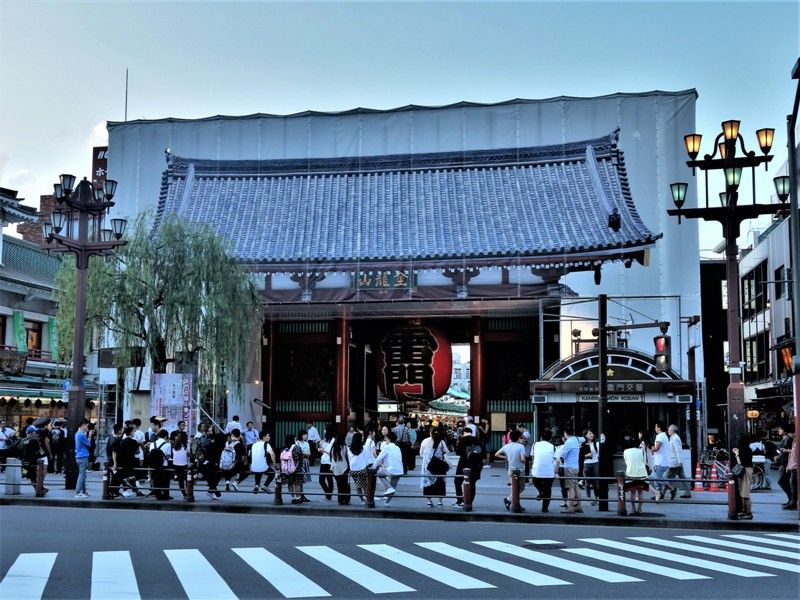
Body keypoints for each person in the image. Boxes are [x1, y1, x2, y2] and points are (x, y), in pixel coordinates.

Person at [495, 429, 527, 511]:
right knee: (521, 487)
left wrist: (506, 457)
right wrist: (523, 460)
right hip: (520, 470)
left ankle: (514, 503)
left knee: (514, 488)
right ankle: (510, 500)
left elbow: (496, 454)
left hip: (511, 470)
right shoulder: (521, 447)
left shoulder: (506, 446)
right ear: (518, 438)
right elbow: (523, 459)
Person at [372, 431, 403, 504]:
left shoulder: (387, 447)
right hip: (399, 470)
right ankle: (387, 503)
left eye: (386, 438)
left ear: (388, 438)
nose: (385, 439)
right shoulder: (397, 448)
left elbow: (379, 458)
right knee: (393, 487)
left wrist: (373, 466)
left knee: (379, 473)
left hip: (391, 469)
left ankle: (389, 488)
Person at [453, 429, 483, 507]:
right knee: (472, 483)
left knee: (457, 481)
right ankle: (470, 501)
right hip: (476, 465)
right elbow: (484, 454)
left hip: (463, 464)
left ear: (463, 433)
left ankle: (460, 501)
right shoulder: (478, 440)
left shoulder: (462, 440)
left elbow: (458, 452)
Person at [559, 426, 586, 513]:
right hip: (576, 467)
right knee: (576, 487)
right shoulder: (576, 439)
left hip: (569, 467)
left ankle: (570, 507)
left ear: (565, 433)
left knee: (570, 488)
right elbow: (584, 439)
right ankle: (579, 506)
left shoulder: (568, 443)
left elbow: (562, 457)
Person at [530, 429, 557, 513]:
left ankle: (541, 492)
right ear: (550, 438)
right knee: (548, 489)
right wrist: (555, 471)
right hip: (549, 472)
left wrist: (534, 466)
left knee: (536, 482)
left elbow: (532, 457)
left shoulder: (535, 444)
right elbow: (557, 460)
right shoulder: (553, 447)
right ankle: (544, 508)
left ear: (541, 437)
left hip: (536, 471)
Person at [622, 436, 649, 515]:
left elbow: (626, 462)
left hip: (631, 473)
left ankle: (633, 509)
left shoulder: (626, 451)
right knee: (640, 492)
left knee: (632, 492)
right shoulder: (642, 451)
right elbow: (644, 462)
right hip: (641, 473)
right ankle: (640, 509)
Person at [731, 435, 754, 519]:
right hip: (747, 470)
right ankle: (745, 511)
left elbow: (740, 463)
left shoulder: (744, 450)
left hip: (745, 471)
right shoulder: (748, 449)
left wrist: (737, 454)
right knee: (743, 492)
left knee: (745, 493)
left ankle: (748, 513)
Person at [666, 424, 692, 499]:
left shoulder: (675, 438)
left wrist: (680, 461)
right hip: (677, 462)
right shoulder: (673, 438)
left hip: (675, 462)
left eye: (669, 430)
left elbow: (678, 451)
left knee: (666, 478)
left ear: (672, 430)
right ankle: (688, 492)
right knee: (682, 477)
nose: (668, 431)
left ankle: (662, 493)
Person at [279, 434, 305, 504]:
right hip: (296, 469)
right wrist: (300, 466)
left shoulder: (283, 448)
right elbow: (301, 458)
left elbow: (280, 459)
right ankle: (297, 497)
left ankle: (293, 497)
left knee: (290, 484)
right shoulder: (297, 448)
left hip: (286, 469)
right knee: (297, 484)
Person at [651, 422, 673, 502]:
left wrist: (652, 449)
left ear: (659, 428)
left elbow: (657, 448)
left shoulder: (660, 436)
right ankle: (659, 494)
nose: (655, 428)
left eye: (655, 427)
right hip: (664, 461)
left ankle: (672, 489)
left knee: (657, 478)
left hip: (660, 461)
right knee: (657, 478)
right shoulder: (665, 436)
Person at [347, 432, 371, 503]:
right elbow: (368, 460)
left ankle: (362, 500)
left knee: (358, 486)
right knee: (364, 486)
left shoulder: (350, 449)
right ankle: (368, 500)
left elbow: (349, 459)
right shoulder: (363, 448)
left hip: (353, 470)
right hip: (362, 470)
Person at [149, 429, 173, 500]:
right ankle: (166, 495)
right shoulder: (168, 444)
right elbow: (168, 456)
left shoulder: (152, 444)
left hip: (154, 465)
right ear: (166, 436)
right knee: (165, 481)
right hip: (164, 465)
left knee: (156, 480)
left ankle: (158, 494)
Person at [775, 424, 795, 508]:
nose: (778, 430)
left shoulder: (789, 439)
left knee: (783, 481)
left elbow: (792, 452)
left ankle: (792, 500)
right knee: (784, 482)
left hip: (787, 463)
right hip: (784, 462)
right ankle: (791, 500)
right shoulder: (785, 439)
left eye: (780, 429)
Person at [329, 434, 351, 505]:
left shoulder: (333, 448)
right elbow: (347, 457)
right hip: (343, 468)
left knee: (339, 485)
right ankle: (346, 499)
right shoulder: (344, 447)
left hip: (335, 469)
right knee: (345, 485)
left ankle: (340, 500)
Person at [581, 429, 599, 506]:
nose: (592, 435)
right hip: (586, 464)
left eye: (592, 433)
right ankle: (588, 498)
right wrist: (587, 455)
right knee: (587, 482)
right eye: (589, 434)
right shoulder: (583, 444)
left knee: (596, 482)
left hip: (595, 463)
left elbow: (599, 454)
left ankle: (597, 497)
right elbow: (580, 456)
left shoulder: (596, 443)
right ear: (586, 435)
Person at [74, 419, 92, 498]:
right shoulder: (81, 434)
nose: (87, 426)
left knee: (83, 475)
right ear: (83, 425)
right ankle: (78, 492)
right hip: (83, 456)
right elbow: (89, 444)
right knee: (82, 475)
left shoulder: (77, 434)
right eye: (87, 425)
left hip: (79, 456)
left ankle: (84, 491)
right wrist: (90, 435)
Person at [318, 426, 335, 502]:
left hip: (329, 462)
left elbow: (331, 453)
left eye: (325, 430)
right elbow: (323, 451)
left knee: (329, 479)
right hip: (323, 461)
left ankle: (328, 496)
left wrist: (323, 450)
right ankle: (328, 495)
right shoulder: (326, 440)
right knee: (321, 480)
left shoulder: (333, 441)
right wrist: (321, 446)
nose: (324, 431)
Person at [171, 430, 190, 499]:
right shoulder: (186, 446)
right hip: (183, 464)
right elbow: (188, 455)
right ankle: (188, 493)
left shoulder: (175, 446)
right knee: (187, 479)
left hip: (176, 464)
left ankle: (184, 494)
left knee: (181, 481)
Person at [296, 429, 312, 501]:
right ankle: (300, 495)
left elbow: (309, 453)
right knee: (300, 479)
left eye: (306, 434)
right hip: (300, 463)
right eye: (304, 434)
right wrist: (304, 453)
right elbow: (298, 453)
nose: (306, 436)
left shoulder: (307, 443)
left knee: (303, 480)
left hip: (305, 462)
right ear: (301, 435)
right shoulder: (297, 443)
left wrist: (302, 453)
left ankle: (302, 495)